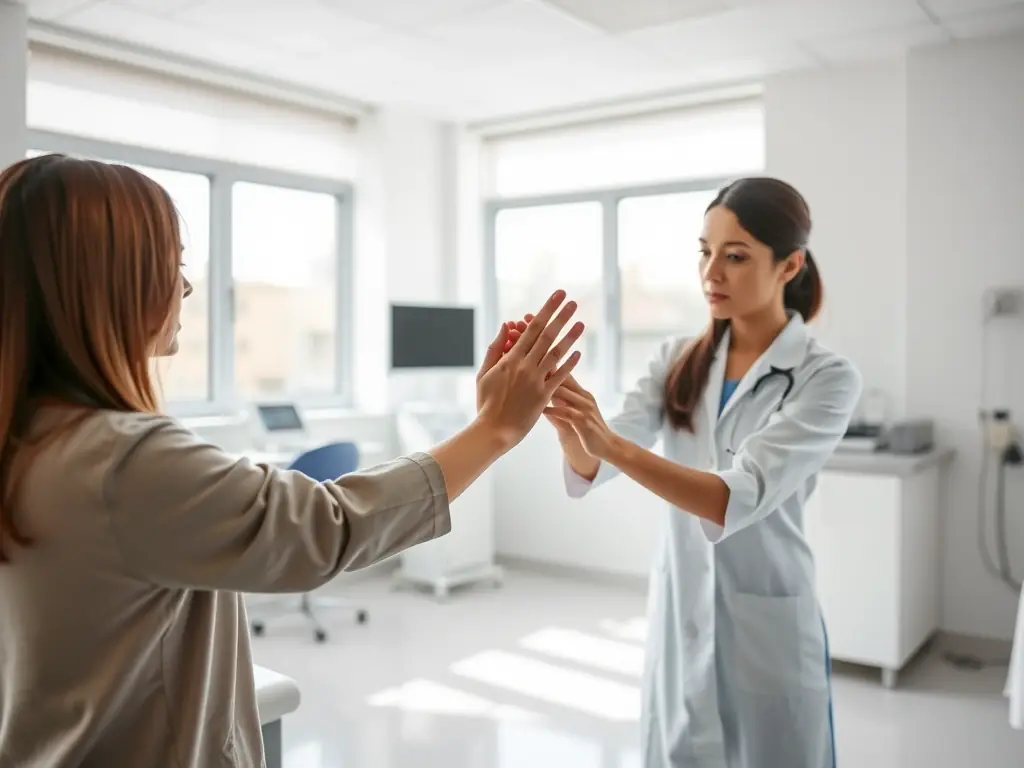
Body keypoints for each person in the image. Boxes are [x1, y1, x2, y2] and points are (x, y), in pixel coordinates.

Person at [0, 153, 584, 768]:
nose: (188, 287)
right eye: (173, 264)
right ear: (110, 281)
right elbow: (325, 527)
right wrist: (494, 428)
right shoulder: (122, 461)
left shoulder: (32, 440)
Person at [516, 177, 862, 767]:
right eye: (705, 252)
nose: (712, 273)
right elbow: (597, 459)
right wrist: (564, 410)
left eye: (736, 256)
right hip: (683, 605)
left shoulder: (824, 377)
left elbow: (734, 495)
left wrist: (610, 444)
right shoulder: (678, 358)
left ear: (790, 265)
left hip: (769, 618)